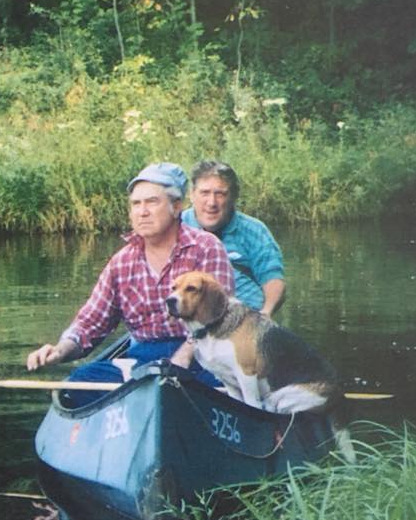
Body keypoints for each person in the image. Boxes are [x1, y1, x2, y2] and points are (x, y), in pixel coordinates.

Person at [26, 162, 234, 400]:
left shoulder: (206, 247)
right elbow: (90, 323)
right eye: (136, 204)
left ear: (176, 207)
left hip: (202, 357)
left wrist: (182, 359)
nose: (142, 212)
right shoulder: (121, 262)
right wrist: (59, 351)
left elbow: (218, 317)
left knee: (228, 388)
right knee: (77, 386)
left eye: (152, 202)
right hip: (142, 359)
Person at [181, 160, 285, 315]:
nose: (212, 202)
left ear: (233, 197)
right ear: (192, 194)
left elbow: (273, 278)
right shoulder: (175, 227)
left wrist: (266, 313)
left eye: (220, 194)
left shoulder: (255, 230)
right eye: (205, 193)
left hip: (245, 319)